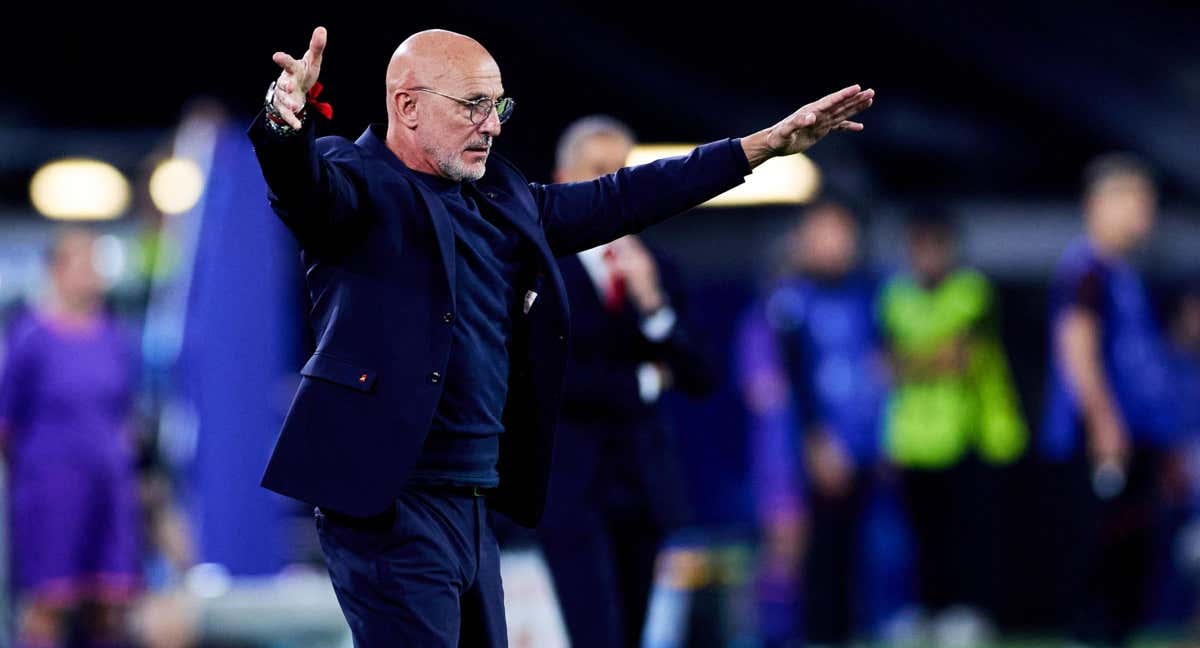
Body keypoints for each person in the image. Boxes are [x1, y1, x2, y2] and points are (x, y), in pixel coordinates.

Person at [249, 25, 874, 646]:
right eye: (473, 106)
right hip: (388, 503)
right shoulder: (352, 177)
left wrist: (758, 148)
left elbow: (626, 196)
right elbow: (301, 184)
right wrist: (285, 120)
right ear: (407, 105)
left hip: (472, 503)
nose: (492, 125)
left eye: (498, 106)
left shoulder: (502, 197)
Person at [528, 116, 717, 648]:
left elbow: (703, 374)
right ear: (564, 178)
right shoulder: (538, 268)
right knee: (597, 636)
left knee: (631, 636)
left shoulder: (655, 267)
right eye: (598, 172)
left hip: (643, 486)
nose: (613, 187)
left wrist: (653, 306)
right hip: (571, 489)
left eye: (622, 172)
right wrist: (644, 381)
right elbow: (548, 377)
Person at [1042, 154, 1176, 646]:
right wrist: (1103, 422)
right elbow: (1076, 347)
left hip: (1134, 434)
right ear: (1103, 203)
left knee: (1129, 561)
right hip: (1098, 437)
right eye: (1138, 200)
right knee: (1098, 556)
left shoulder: (1125, 273)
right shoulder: (1087, 270)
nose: (1147, 213)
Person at [878, 211, 1026, 646]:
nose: (928, 257)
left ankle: (968, 614)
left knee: (968, 534)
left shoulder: (972, 291)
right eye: (920, 247)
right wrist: (921, 360)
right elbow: (885, 366)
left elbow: (957, 359)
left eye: (936, 246)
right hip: (913, 439)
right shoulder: (894, 296)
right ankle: (929, 613)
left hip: (971, 433)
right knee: (921, 538)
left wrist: (911, 361)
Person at [0, 228, 142, 648]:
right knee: (50, 602)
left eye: (95, 263)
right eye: (82, 263)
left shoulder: (115, 337)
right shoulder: (30, 339)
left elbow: (125, 414)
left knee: (109, 602)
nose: (91, 273)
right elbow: (7, 422)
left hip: (109, 490)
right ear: (56, 270)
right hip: (50, 492)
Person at [758, 201, 888, 646]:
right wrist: (817, 443)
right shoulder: (791, 300)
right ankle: (810, 635)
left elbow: (879, 371)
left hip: (863, 443)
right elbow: (794, 381)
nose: (836, 243)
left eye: (842, 232)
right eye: (824, 232)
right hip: (813, 450)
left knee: (856, 555)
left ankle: (847, 633)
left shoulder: (869, 294)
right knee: (819, 553)